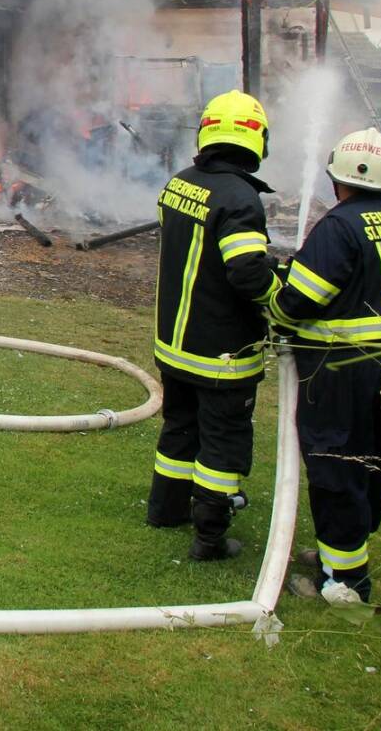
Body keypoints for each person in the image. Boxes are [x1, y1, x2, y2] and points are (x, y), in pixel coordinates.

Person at [272, 127, 381, 604]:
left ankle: (345, 582)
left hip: (339, 370)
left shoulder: (338, 226)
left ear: (336, 177)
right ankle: (343, 551)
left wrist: (275, 311)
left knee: (335, 462)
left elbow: (300, 299)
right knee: (374, 458)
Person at [147, 90, 281, 561]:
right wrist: (278, 300)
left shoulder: (180, 183)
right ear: (256, 140)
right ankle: (209, 535)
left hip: (175, 342)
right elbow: (245, 271)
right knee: (223, 443)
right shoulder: (240, 199)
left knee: (180, 429)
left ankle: (165, 509)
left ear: (206, 133)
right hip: (221, 351)